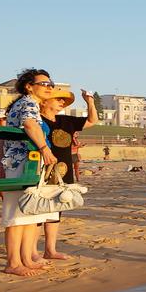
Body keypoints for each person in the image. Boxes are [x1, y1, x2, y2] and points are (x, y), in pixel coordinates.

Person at [0, 69, 60, 276]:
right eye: (44, 84)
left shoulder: (26, 104)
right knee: (17, 213)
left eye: (51, 84)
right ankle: (13, 263)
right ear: (29, 86)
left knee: (30, 213)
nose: (49, 87)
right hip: (21, 163)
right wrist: (45, 149)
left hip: (27, 163)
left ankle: (25, 259)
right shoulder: (28, 103)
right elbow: (30, 125)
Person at [38, 86, 98, 261]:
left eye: (63, 100)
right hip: (42, 170)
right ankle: (31, 252)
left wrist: (90, 102)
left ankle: (50, 250)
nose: (62, 102)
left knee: (56, 211)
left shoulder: (66, 120)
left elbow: (92, 120)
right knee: (37, 210)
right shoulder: (37, 120)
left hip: (63, 173)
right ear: (44, 101)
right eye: (58, 99)